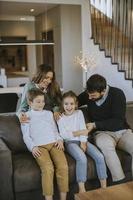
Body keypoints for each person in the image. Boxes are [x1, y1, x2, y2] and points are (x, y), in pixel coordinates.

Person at [78, 74, 133, 182]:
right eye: (88, 94)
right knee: (107, 147)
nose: (89, 98)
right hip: (102, 134)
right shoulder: (89, 93)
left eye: (92, 95)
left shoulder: (117, 94)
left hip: (122, 131)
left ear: (103, 91)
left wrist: (95, 124)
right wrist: (57, 109)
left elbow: (118, 121)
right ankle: (120, 184)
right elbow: (71, 100)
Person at [21, 88, 68, 200]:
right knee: (48, 168)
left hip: (54, 143)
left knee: (63, 166)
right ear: (30, 102)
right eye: (38, 101)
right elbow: (26, 136)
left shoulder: (48, 113)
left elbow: (55, 130)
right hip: (39, 146)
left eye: (43, 101)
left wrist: (59, 139)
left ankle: (63, 198)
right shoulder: (26, 116)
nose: (41, 104)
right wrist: (32, 147)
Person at [57, 91, 107, 193]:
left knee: (100, 156)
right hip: (70, 143)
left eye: (71, 104)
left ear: (76, 105)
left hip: (82, 140)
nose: (69, 106)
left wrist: (83, 142)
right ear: (62, 105)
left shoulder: (79, 113)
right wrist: (79, 133)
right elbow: (64, 135)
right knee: (82, 158)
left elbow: (84, 129)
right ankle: (82, 189)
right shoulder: (60, 117)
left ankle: (104, 187)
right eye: (66, 104)